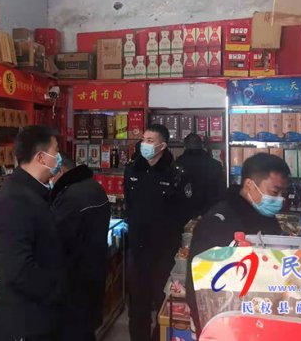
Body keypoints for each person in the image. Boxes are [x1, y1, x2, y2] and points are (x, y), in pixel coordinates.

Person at [185, 153, 289, 334]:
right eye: (274, 192)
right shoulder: (219, 221)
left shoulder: (269, 220)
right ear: (249, 185)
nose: (280, 199)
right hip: (228, 325)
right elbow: (198, 286)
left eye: (282, 193)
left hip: (265, 320)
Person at [0, 125, 66, 341]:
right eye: (56, 151)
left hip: (40, 316)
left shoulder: (34, 192)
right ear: (41, 157)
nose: (59, 158)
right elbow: (18, 270)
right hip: (25, 322)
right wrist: (56, 290)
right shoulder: (15, 199)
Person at [124, 124, 186, 341]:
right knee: (137, 305)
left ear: (162, 145)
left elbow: (181, 212)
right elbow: (129, 203)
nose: (144, 144)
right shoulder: (133, 169)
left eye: (150, 141)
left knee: (163, 302)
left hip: (164, 251)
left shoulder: (175, 173)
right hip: (137, 249)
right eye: (144, 139)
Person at [50, 153, 110, 341]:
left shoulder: (69, 197)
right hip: (94, 275)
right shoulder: (94, 187)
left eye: (51, 174)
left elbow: (57, 242)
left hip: (73, 283)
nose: (49, 180)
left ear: (61, 171)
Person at [177, 133, 225, 223]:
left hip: (184, 214)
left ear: (185, 146)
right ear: (202, 146)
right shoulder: (215, 165)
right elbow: (220, 192)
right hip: (209, 213)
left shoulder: (178, 164)